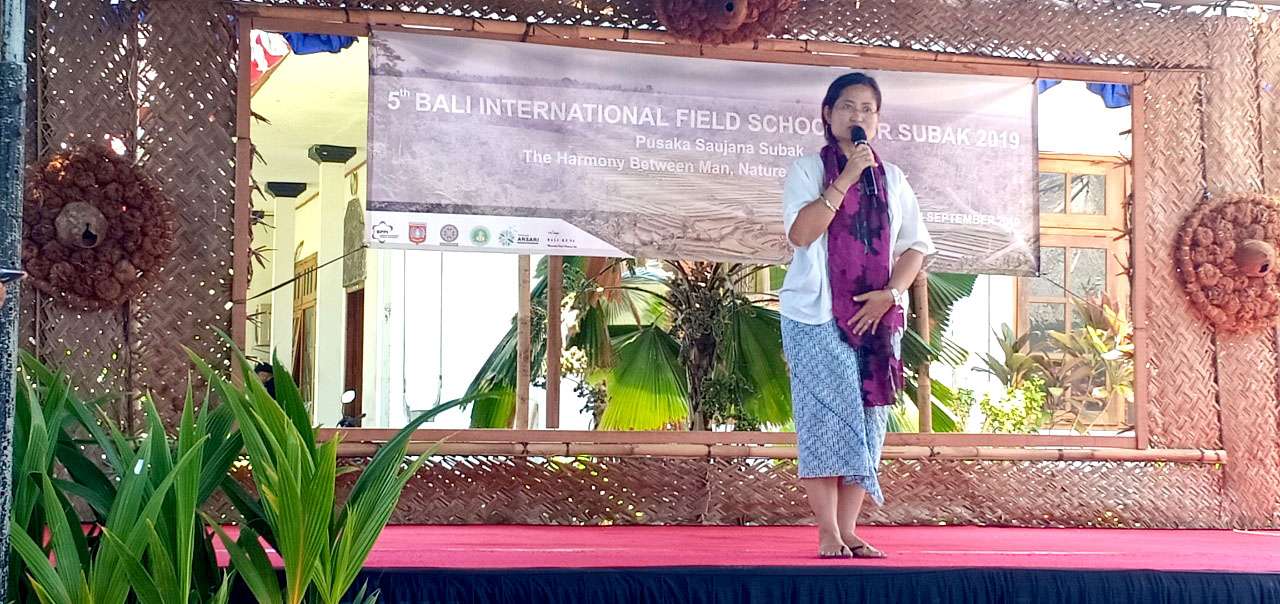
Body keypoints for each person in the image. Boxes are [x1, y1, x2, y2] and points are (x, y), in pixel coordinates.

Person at [780, 72, 935, 559]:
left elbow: (915, 247)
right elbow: (801, 235)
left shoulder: (893, 179)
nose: (858, 116)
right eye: (848, 107)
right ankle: (826, 531)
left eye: (868, 109)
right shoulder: (808, 170)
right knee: (825, 420)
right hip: (815, 315)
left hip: (875, 318)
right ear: (828, 114)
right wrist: (845, 178)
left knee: (868, 421)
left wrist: (890, 293)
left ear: (878, 120)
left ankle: (849, 530)